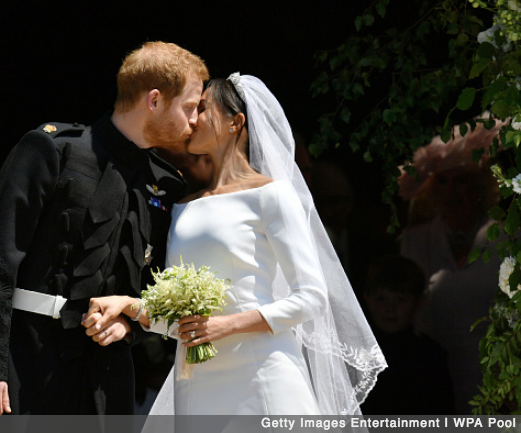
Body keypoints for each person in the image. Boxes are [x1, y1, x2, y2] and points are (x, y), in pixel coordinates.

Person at [82, 73, 386, 415]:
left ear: (235, 123)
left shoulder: (271, 195)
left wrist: (225, 325)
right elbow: (181, 321)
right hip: (195, 384)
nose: (192, 119)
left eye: (202, 109)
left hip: (262, 374)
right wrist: (128, 305)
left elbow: (311, 298)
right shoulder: (182, 206)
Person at [0, 41, 209, 416]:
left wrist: (131, 328)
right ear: (154, 101)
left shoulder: (167, 185)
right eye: (189, 107)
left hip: (106, 382)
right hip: (25, 361)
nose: (195, 120)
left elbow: (157, 286)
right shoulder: (52, 149)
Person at [397, 116, 504, 414]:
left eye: (461, 180)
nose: (452, 191)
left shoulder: (506, 235)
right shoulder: (416, 240)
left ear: (479, 185)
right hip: (433, 374)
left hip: (494, 374)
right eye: (442, 181)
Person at [360, 255, 454, 415]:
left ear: (418, 302)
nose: (390, 308)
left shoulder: (430, 356)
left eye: (400, 300)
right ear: (367, 299)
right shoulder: (354, 354)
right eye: (381, 299)